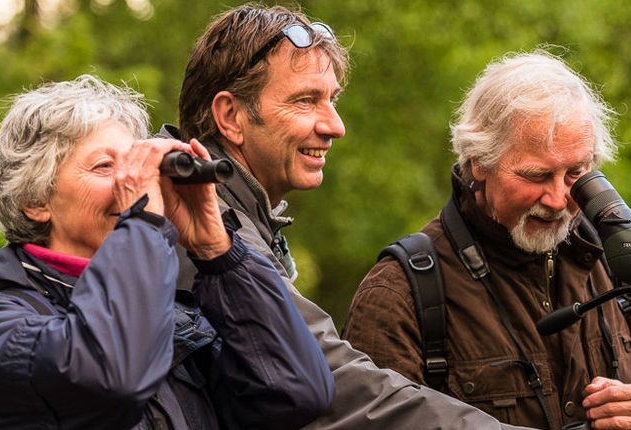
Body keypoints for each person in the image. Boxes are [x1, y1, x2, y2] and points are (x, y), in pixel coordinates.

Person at [158, 4, 531, 429]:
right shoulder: (193, 218)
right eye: (305, 101)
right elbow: (334, 382)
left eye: (331, 100)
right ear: (231, 116)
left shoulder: (227, 209)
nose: (335, 125)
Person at [0, 75, 333, 429]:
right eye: (105, 166)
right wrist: (143, 221)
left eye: (134, 165)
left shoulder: (173, 313)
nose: (133, 181)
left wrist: (218, 253)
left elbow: (296, 394)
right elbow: (111, 378)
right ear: (36, 200)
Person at [342, 51, 631, 430]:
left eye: (576, 172)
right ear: (479, 162)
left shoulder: (618, 255)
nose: (559, 200)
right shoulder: (400, 292)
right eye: (537, 176)